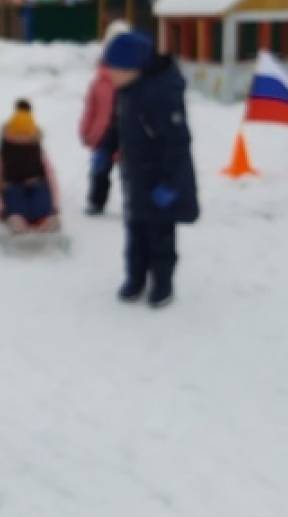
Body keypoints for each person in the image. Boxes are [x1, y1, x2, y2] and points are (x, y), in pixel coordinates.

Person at [99, 31, 199, 308]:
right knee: (136, 230)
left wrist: (170, 183)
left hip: (161, 180)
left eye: (115, 69)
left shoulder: (162, 94)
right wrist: (104, 150)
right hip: (136, 175)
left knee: (160, 235)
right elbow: (116, 125)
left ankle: (163, 283)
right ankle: (135, 278)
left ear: (134, 68)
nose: (110, 75)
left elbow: (178, 143)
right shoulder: (127, 91)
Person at [0, 100, 60, 233]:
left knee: (41, 194)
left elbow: (51, 176)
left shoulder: (38, 151)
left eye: (26, 136)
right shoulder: (2, 152)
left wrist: (54, 204)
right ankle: (18, 220)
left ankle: (43, 219)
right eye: (18, 135)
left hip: (35, 184)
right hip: (11, 185)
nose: (22, 140)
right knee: (14, 197)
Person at [79, 20, 130, 215]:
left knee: (130, 172)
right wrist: (85, 129)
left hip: (129, 132)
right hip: (103, 132)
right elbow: (90, 107)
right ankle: (96, 201)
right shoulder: (100, 79)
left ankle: (133, 203)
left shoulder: (135, 78)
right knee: (99, 168)